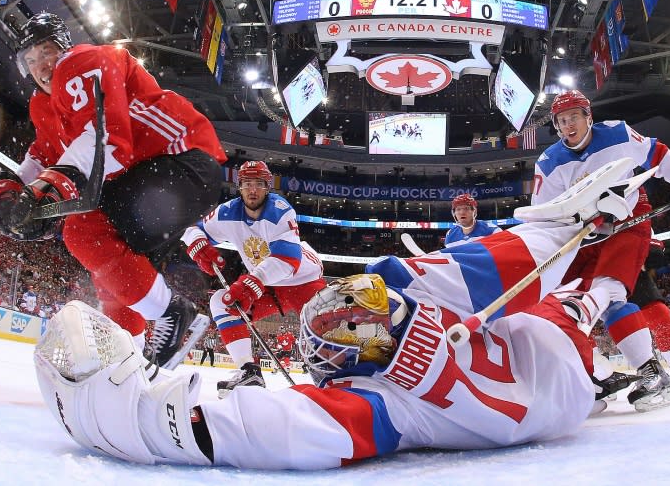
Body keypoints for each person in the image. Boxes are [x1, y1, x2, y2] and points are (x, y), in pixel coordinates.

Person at [34, 169, 636, 469]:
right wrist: (571, 231)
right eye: (364, 313)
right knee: (579, 297)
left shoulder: (388, 408)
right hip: (557, 368)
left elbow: (267, 424)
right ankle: (586, 253)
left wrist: (121, 412)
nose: (372, 308)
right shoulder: (403, 367)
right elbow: (270, 419)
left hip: (297, 283)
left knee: (574, 299)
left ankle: (588, 262)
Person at [0, 12, 227, 368]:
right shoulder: (44, 104)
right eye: (31, 60)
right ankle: (125, 360)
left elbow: (106, 143)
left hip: (185, 162)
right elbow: (45, 153)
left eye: (47, 51)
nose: (41, 66)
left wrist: (44, 192)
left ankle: (173, 313)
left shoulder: (81, 62)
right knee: (110, 264)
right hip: (155, 178)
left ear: (64, 48)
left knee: (86, 231)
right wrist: (11, 194)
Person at [531, 89, 670, 411]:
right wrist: (581, 217)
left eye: (574, 116)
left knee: (608, 290)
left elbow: (655, 153)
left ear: (589, 117)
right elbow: (546, 215)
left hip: (627, 223)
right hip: (584, 236)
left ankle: (656, 372)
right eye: (561, 120)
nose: (568, 124)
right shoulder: (548, 163)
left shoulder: (617, 132)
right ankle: (595, 375)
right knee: (557, 303)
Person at [180, 160, 326, 398]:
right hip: (268, 285)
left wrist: (254, 280)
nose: (252, 190)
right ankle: (249, 372)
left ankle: (331, 380)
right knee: (221, 302)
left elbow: (288, 259)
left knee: (323, 331)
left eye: (258, 184)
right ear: (239, 187)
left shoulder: (280, 210)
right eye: (247, 184)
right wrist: (197, 243)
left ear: (267, 187)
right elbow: (192, 227)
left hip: (303, 281)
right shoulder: (228, 212)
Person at [606, 238, 670, 391]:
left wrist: (651, 247)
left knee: (658, 314)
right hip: (597, 274)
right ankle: (599, 376)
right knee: (617, 322)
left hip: (630, 271)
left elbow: (648, 238)